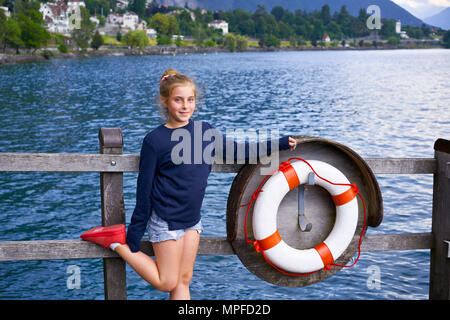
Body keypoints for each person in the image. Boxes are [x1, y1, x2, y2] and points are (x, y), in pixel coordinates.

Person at [80, 68, 297, 300]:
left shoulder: (205, 132)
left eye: (190, 100)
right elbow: (144, 191)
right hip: (165, 221)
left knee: (183, 281)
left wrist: (278, 144)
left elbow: (240, 151)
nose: (185, 106)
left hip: (192, 221)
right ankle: (116, 243)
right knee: (166, 282)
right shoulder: (155, 141)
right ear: (165, 102)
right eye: (178, 100)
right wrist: (134, 234)